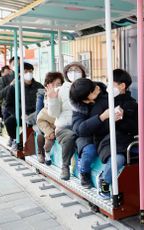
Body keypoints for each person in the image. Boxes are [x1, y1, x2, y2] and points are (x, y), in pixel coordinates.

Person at [96, 69, 138, 199]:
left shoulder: (132, 104)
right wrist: (109, 120)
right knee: (118, 159)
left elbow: (136, 128)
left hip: (127, 140)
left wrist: (121, 119)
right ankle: (104, 179)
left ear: (122, 86)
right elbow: (98, 125)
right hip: (107, 140)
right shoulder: (103, 102)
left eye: (111, 83)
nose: (108, 86)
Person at [47, 62, 86, 180]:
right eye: (71, 70)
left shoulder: (88, 88)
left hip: (82, 125)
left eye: (77, 70)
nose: (74, 73)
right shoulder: (60, 90)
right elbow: (53, 114)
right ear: (66, 74)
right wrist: (52, 99)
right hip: (64, 127)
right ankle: (65, 166)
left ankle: (85, 171)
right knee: (70, 137)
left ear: (82, 73)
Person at [69, 78, 106, 188]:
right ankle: (84, 172)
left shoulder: (105, 93)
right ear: (85, 99)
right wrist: (100, 118)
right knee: (89, 150)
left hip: (104, 132)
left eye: (94, 87)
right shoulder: (79, 108)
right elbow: (80, 130)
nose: (97, 89)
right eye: (93, 91)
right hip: (87, 135)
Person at [4, 62, 44, 151]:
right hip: (21, 115)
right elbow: (8, 105)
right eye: (25, 71)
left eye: (30, 71)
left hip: (36, 114)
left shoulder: (39, 86)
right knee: (9, 122)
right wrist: (19, 114)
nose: (28, 73)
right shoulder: (14, 87)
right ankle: (15, 139)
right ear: (19, 73)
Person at [36, 72, 64, 165]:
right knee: (47, 137)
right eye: (53, 84)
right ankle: (44, 153)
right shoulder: (46, 98)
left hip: (61, 125)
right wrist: (49, 131)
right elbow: (41, 118)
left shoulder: (64, 96)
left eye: (59, 84)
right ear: (47, 86)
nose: (56, 87)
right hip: (49, 125)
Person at [0, 57, 20, 145]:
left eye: (19, 64)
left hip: (22, 105)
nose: (18, 65)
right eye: (15, 64)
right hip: (8, 106)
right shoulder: (3, 79)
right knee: (9, 118)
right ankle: (12, 137)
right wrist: (10, 85)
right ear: (10, 66)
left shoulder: (24, 77)